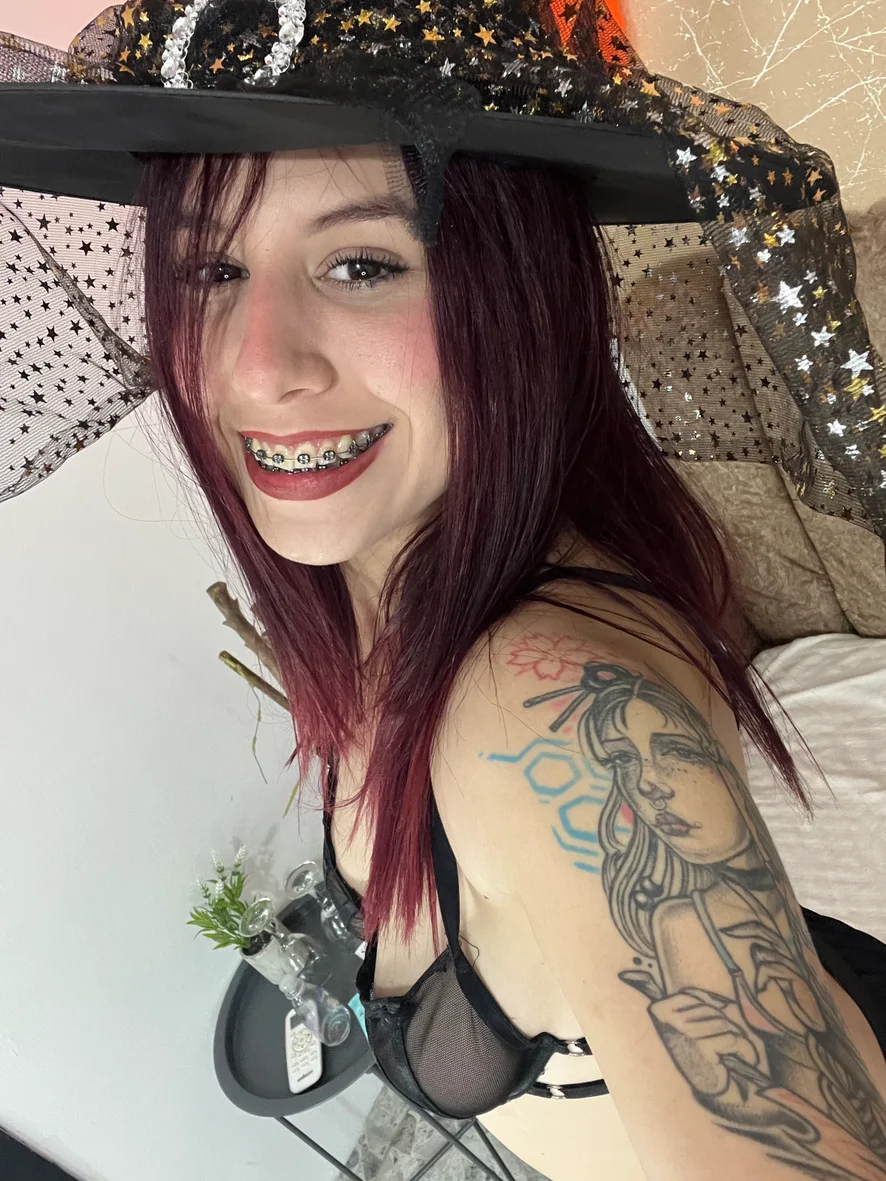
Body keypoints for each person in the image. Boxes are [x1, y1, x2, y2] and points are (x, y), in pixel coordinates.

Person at [1, 3, 885, 1179]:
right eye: (212, 269)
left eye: (361, 264)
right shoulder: (390, 601)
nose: (257, 364)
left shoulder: (547, 708)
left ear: (520, 293)